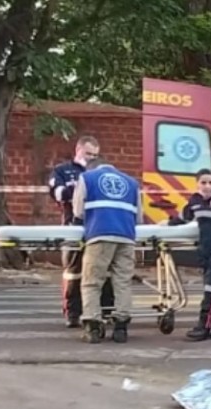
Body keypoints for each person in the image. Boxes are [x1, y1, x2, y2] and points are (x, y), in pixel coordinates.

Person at [71, 158, 142, 344]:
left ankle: (93, 326)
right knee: (123, 282)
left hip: (100, 234)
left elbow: (78, 210)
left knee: (92, 282)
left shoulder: (87, 178)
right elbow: (139, 216)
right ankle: (121, 327)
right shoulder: (132, 183)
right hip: (126, 236)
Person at [48, 135, 114, 327]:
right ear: (78, 150)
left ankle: (106, 310)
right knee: (73, 271)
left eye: (95, 155)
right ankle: (72, 312)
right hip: (73, 226)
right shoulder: (62, 170)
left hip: (99, 226)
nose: (91, 158)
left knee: (104, 270)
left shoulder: (102, 170)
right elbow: (57, 193)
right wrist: (81, 188)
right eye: (88, 153)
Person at [166, 169, 211, 341]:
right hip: (205, 250)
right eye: (203, 183)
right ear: (197, 184)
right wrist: (168, 223)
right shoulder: (195, 200)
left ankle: (204, 327)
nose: (207, 186)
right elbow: (184, 216)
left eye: (210, 182)